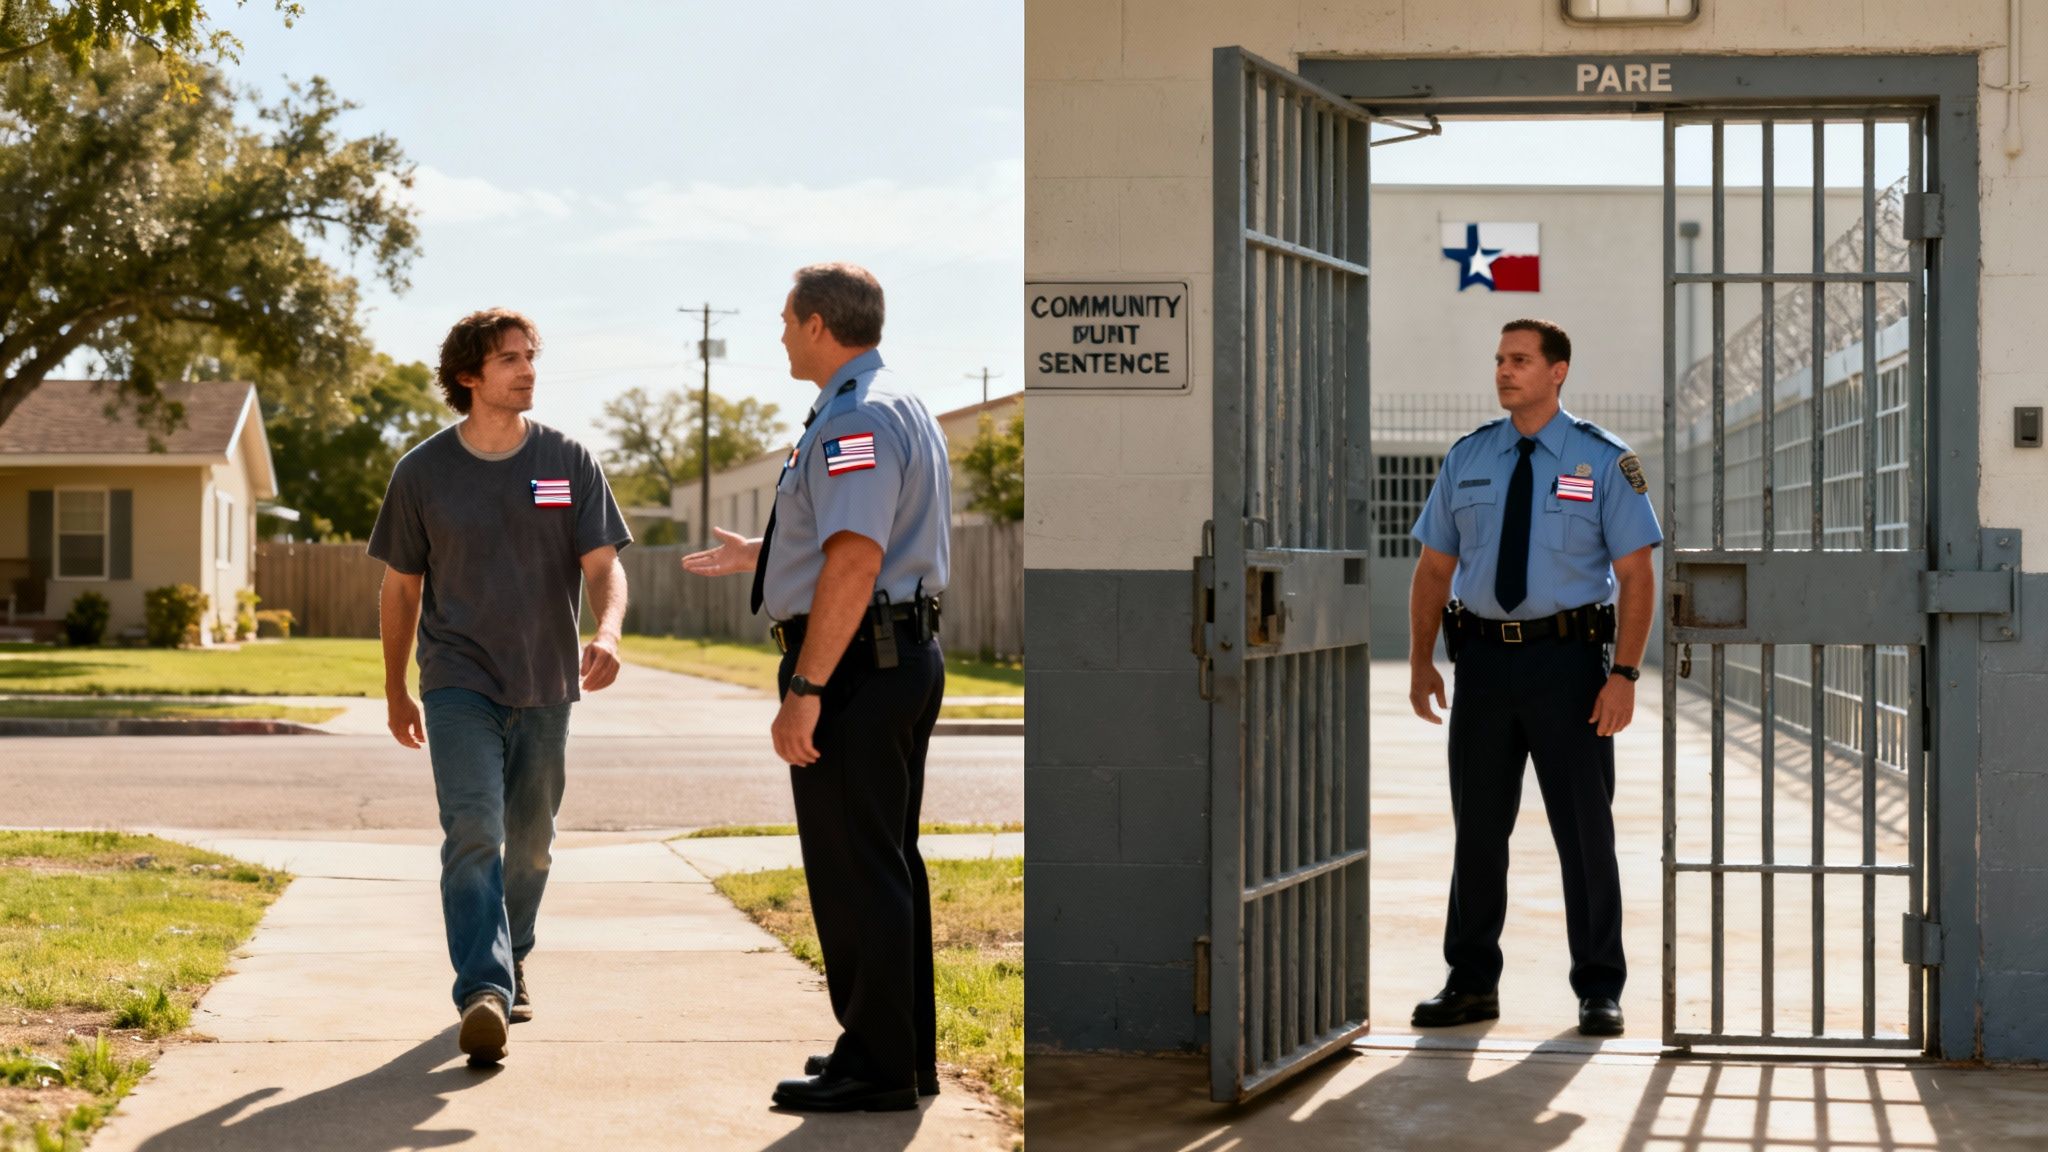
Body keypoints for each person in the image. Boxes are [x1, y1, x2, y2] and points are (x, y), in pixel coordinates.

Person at [681, 262, 949, 1112]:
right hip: (895, 653)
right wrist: (763, 557)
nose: (782, 334)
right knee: (886, 861)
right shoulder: (893, 400)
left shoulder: (854, 415)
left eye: (788, 320)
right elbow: (861, 536)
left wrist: (806, 685)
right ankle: (900, 1053)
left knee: (854, 868)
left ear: (820, 324)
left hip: (857, 669)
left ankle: (876, 1066)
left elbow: (858, 557)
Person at [368, 308, 632, 1065]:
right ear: (468, 376)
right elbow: (400, 589)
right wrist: (395, 687)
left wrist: (607, 631)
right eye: (509, 359)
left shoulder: (567, 461)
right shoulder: (423, 472)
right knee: (475, 829)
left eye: (530, 356)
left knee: (533, 845)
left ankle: (512, 955)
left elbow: (605, 565)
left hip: (546, 681)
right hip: (458, 681)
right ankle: (482, 988)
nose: (527, 370)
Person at [1405, 318, 1661, 1038]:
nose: (1504, 371)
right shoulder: (1469, 458)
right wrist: (1423, 659)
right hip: (1483, 664)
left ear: (1558, 371)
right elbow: (1433, 569)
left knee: (1584, 833)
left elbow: (1637, 575)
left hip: (1568, 667)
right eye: (1498, 359)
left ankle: (1599, 986)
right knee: (1478, 830)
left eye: (1520, 360)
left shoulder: (1605, 461)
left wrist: (1625, 674)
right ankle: (1471, 980)